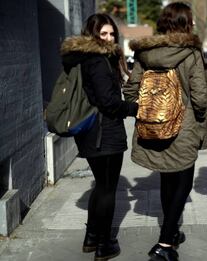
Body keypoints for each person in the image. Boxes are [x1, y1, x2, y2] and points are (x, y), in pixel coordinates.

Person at [123, 2, 207, 261]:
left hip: (152, 129)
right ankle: (164, 245)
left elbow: (130, 90)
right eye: (190, 20)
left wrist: (150, 112)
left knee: (166, 181)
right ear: (185, 23)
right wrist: (198, 121)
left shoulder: (145, 53)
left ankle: (170, 233)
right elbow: (201, 98)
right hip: (183, 128)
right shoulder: (190, 53)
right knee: (183, 184)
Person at [60, 13, 138, 260]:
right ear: (92, 35)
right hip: (105, 132)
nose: (108, 38)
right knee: (107, 189)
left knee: (100, 186)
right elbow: (108, 101)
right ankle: (105, 245)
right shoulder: (97, 61)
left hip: (91, 132)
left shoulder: (82, 58)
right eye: (103, 34)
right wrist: (134, 109)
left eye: (111, 33)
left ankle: (91, 238)